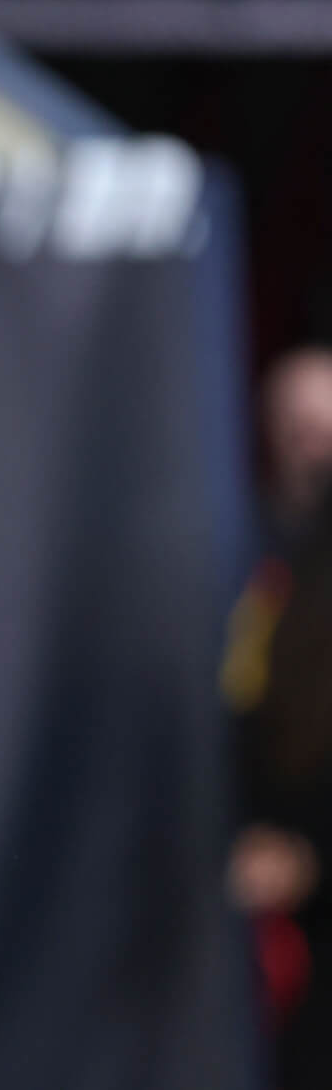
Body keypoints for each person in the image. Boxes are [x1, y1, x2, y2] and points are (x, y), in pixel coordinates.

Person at [221, 346, 332, 1089]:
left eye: (323, 425)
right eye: (294, 423)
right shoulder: (239, 538)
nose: (309, 441)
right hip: (260, 848)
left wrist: (316, 852)